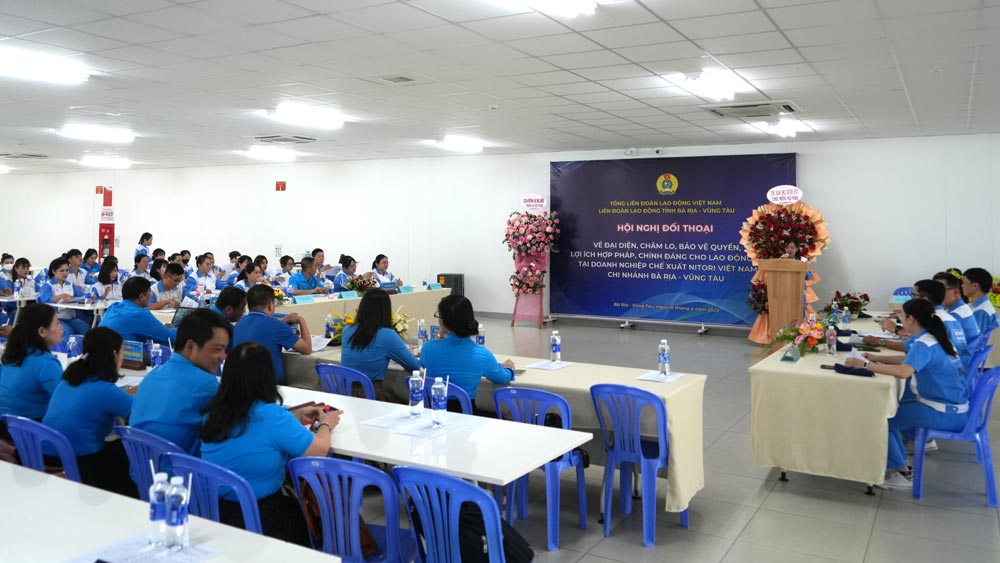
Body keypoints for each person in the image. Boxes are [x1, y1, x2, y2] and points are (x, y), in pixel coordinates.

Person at [199, 342, 340, 546]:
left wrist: (293, 416)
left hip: (214, 511)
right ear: (266, 377)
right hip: (262, 516)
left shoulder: (213, 412)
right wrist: (326, 424)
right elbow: (319, 450)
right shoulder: (271, 416)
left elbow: (250, 424)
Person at [846, 299, 968, 490]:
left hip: (943, 413)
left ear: (911, 319)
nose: (901, 320)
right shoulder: (935, 338)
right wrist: (877, 358)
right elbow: (909, 360)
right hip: (954, 408)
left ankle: (901, 472)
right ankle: (900, 465)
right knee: (889, 410)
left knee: (879, 418)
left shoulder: (924, 343)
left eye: (902, 316)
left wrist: (866, 365)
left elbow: (905, 371)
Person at [41, 327, 137, 497]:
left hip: (48, 454)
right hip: (80, 463)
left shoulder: (69, 379)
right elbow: (140, 412)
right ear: (114, 354)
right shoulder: (105, 390)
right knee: (127, 458)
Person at [130, 309, 231, 454]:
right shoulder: (206, 384)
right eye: (217, 349)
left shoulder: (152, 375)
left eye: (225, 350)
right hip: (182, 471)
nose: (222, 356)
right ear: (191, 346)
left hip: (142, 468)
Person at [420, 295, 514, 409]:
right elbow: (503, 378)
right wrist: (509, 368)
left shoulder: (427, 348)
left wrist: (440, 336)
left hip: (433, 413)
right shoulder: (483, 355)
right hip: (465, 416)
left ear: (443, 321)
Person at [342, 289, 419, 400]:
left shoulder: (347, 330)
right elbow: (414, 366)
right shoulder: (387, 334)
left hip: (344, 393)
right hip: (371, 396)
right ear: (386, 310)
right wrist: (410, 353)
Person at [232, 285, 311, 385]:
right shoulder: (277, 326)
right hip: (270, 387)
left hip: (242, 383)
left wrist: (282, 324)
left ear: (248, 305)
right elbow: (307, 349)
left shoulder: (238, 325)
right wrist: (301, 320)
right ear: (271, 305)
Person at [0, 304, 63, 421]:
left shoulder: (11, 353)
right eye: (57, 323)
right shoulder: (46, 363)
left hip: (4, 425)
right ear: (42, 331)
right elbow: (63, 401)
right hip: (30, 430)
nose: (61, 328)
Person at [98, 277, 178, 345]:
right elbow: (171, 338)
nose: (150, 296)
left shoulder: (114, 307)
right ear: (142, 296)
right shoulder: (140, 314)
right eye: (150, 293)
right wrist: (180, 328)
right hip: (123, 359)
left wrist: (163, 328)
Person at [38, 257, 90, 344]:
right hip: (56, 318)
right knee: (67, 331)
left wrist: (90, 296)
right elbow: (45, 299)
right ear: (54, 271)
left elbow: (81, 296)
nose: (65, 273)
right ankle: (65, 354)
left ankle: (81, 353)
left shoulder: (70, 285)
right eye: (61, 271)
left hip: (71, 317)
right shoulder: (48, 285)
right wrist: (60, 296)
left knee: (85, 328)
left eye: (66, 270)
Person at [934, 271, 981, 348]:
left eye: (940, 290)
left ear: (955, 292)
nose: (936, 294)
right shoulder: (961, 308)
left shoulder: (955, 316)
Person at [962, 267, 999, 337]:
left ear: (975, 286)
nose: (962, 286)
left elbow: (975, 341)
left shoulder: (982, 311)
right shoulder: (976, 306)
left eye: (964, 282)